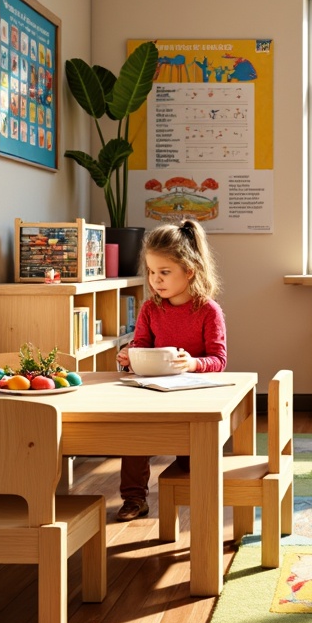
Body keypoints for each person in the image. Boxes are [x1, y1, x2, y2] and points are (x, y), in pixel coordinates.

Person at [114, 218, 226, 521]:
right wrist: (129, 355)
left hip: (193, 398)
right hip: (154, 393)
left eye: (164, 272)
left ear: (189, 271)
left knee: (192, 458)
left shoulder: (207, 310)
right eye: (151, 272)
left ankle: (196, 492)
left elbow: (218, 359)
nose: (155, 280)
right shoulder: (151, 308)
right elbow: (140, 344)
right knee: (134, 437)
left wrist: (192, 363)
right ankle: (134, 498)